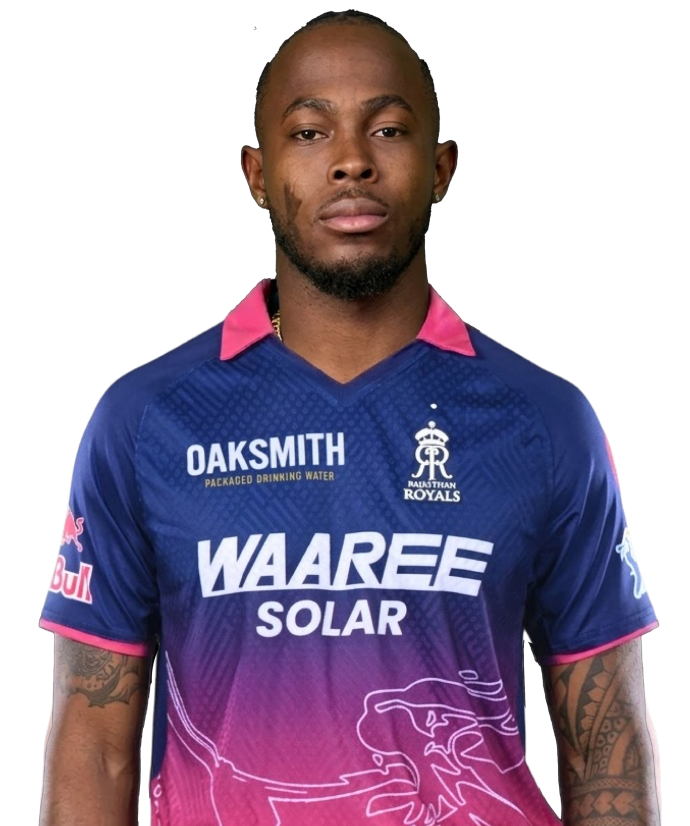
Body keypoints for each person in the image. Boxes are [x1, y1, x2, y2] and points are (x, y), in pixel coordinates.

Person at [39, 10, 661, 825]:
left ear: (441, 168)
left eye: (388, 129)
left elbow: (603, 744)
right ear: (256, 174)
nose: (351, 161)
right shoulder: (145, 420)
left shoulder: (546, 422)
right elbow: (94, 744)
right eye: (309, 132)